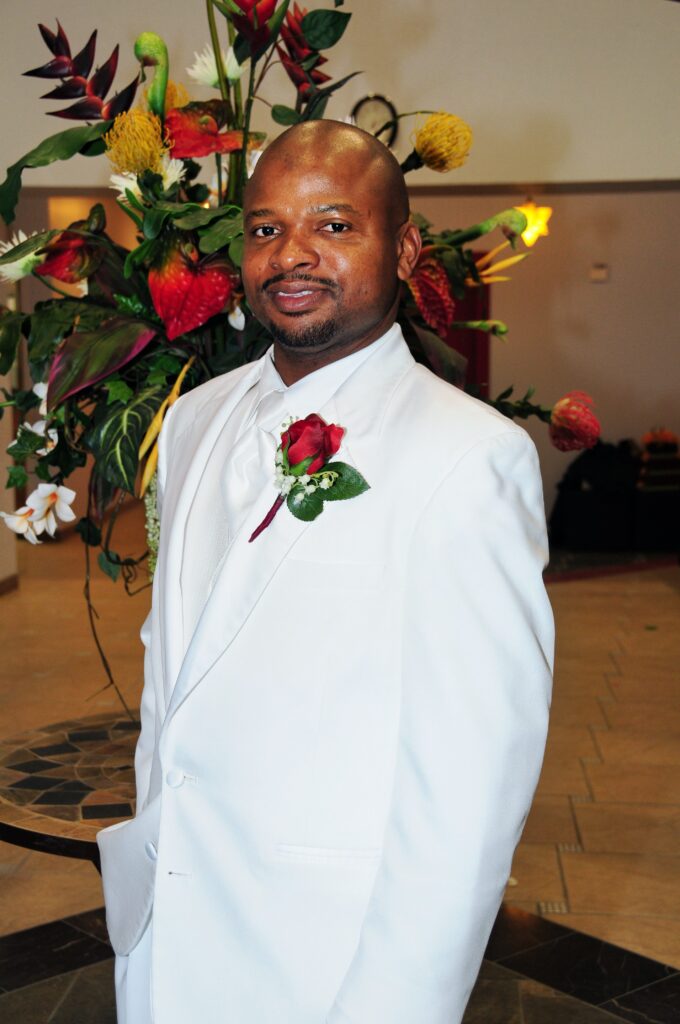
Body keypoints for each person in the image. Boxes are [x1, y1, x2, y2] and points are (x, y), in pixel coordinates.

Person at [97, 120, 554, 1024]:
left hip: (326, 956)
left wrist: (398, 1005)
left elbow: (473, 785)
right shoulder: (193, 422)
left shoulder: (469, 458)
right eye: (265, 229)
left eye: (335, 226)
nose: (291, 255)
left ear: (405, 250)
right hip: (167, 938)